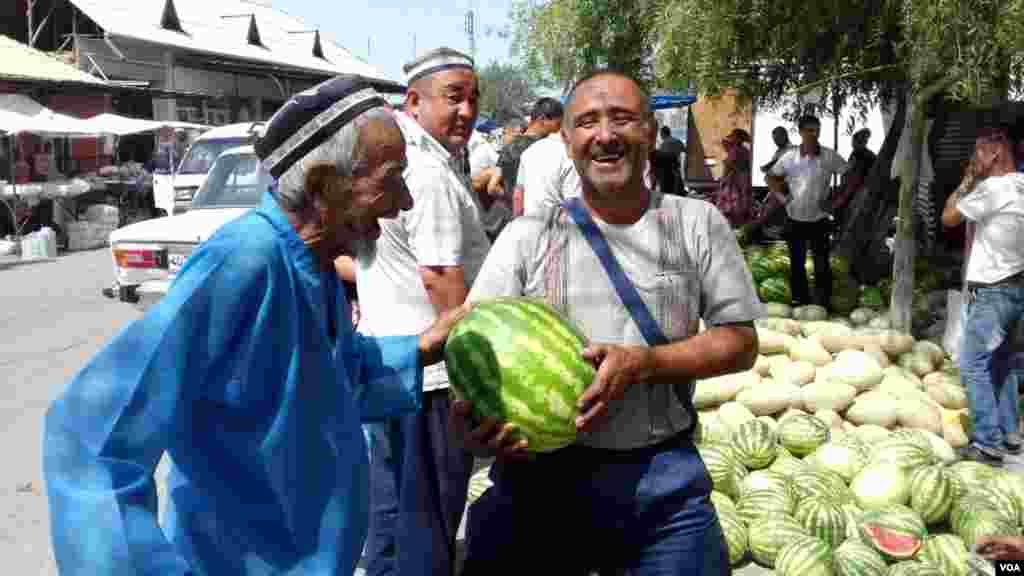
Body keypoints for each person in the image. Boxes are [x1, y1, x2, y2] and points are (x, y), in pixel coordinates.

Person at [42, 75, 469, 576]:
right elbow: (90, 440)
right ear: (324, 186)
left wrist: (421, 346)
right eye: (391, 179)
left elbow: (326, 378)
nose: (405, 202)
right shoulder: (244, 261)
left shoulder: (316, 264)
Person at [452, 69, 762, 575]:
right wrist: (473, 427)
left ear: (649, 131)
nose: (605, 135)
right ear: (566, 140)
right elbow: (473, 341)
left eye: (622, 119)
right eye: (587, 122)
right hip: (538, 484)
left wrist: (645, 363)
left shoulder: (697, 223)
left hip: (662, 485)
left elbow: (741, 342)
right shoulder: (526, 236)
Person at [356, 47, 491, 576]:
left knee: (392, 507)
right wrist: (476, 373)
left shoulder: (404, 160)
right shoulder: (429, 172)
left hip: (392, 361)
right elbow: (440, 276)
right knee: (429, 514)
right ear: (414, 101)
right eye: (454, 97)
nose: (467, 111)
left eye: (474, 99)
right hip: (432, 376)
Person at [941, 127, 1024, 465]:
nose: (973, 159)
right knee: (1002, 363)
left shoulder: (993, 188)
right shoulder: (1021, 185)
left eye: (977, 152)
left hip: (993, 292)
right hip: (1016, 289)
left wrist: (967, 181)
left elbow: (949, 218)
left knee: (972, 364)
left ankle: (987, 443)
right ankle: (1010, 434)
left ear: (995, 153)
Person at [766, 115, 850, 310]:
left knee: (822, 264)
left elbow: (850, 176)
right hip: (794, 219)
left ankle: (823, 303)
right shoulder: (790, 157)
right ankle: (800, 301)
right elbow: (770, 177)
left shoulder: (829, 156)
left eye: (817, 130)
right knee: (797, 263)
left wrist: (836, 201)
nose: (814, 134)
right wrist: (782, 198)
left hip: (819, 220)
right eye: (810, 130)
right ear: (801, 132)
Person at [500, 97, 564, 216]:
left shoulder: (509, 146)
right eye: (558, 124)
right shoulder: (543, 149)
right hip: (532, 216)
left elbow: (497, 184)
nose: (559, 129)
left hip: (512, 214)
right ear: (542, 119)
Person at [715, 128, 753, 227]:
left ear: (737, 138)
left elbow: (728, 167)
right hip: (744, 179)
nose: (731, 138)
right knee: (742, 202)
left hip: (734, 181)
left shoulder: (735, 151)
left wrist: (722, 180)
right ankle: (741, 225)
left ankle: (731, 225)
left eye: (733, 137)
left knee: (731, 204)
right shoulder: (745, 150)